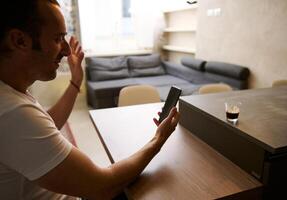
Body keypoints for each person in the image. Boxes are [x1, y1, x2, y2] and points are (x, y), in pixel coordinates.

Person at [0, 0, 180, 199]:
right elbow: (102, 186)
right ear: (19, 41)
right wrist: (158, 140)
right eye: (58, 38)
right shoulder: (12, 112)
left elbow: (48, 122)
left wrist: (76, 81)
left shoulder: (12, 94)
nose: (67, 50)